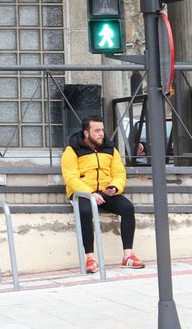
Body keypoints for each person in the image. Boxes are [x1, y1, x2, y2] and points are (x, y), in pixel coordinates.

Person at [61, 115, 145, 272]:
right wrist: (90, 193)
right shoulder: (72, 150)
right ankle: (90, 258)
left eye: (102, 130)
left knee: (128, 208)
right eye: (97, 130)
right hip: (82, 192)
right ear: (86, 133)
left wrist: (114, 187)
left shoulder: (110, 149)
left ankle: (128, 256)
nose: (101, 134)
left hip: (105, 192)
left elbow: (119, 173)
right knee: (85, 211)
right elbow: (70, 178)